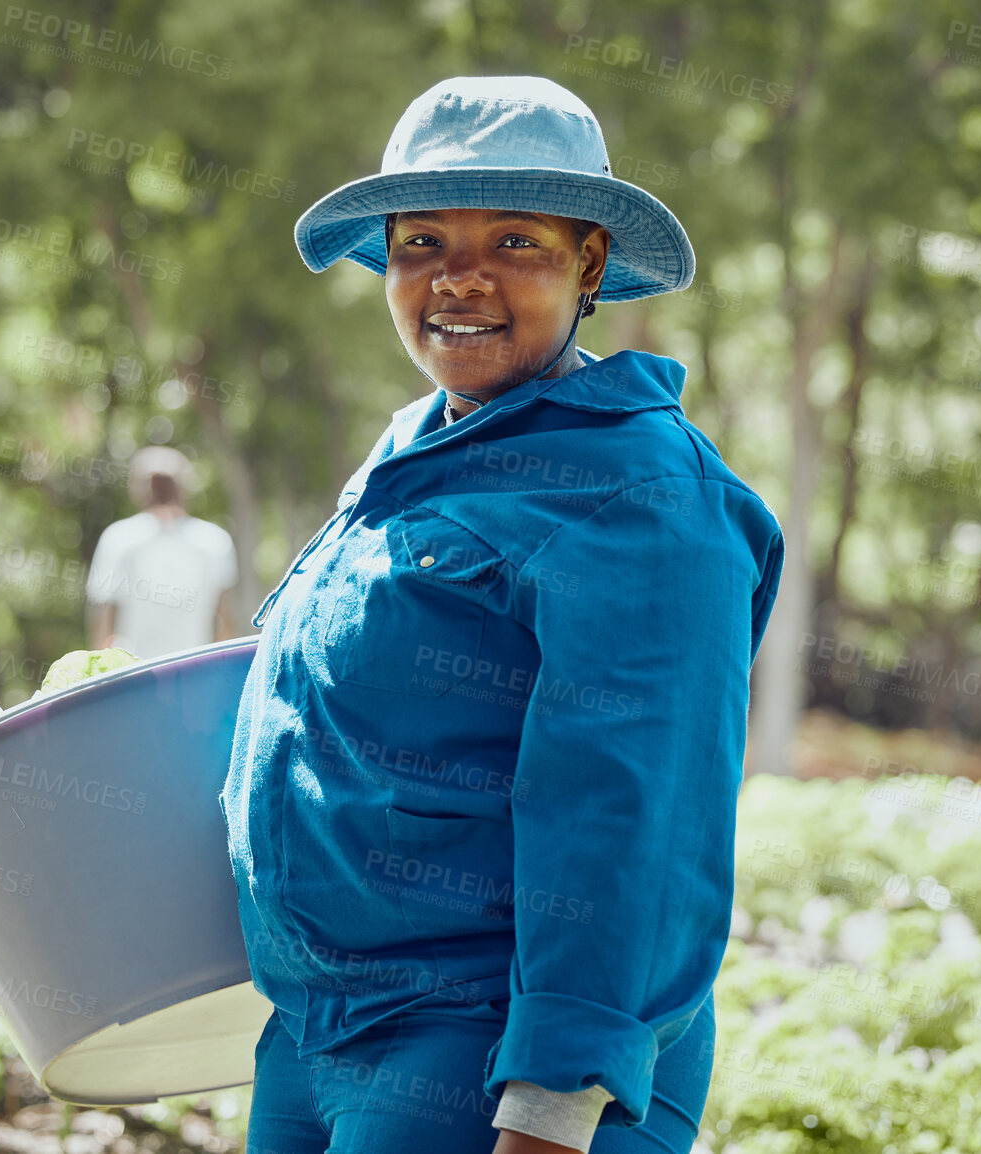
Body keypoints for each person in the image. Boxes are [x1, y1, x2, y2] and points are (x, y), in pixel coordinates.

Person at [218, 76, 785, 1154]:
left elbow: (638, 816)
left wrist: (550, 1110)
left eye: (515, 240)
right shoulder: (414, 448)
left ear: (591, 264)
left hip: (489, 1056)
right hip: (315, 1033)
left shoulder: (644, 495)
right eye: (421, 239)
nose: (458, 277)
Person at [84, 445, 238, 659]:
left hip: (146, 677)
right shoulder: (214, 540)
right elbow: (227, 623)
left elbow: (102, 621)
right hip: (169, 674)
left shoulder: (118, 537)